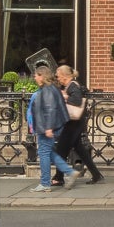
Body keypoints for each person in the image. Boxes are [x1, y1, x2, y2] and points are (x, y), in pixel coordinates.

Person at [26, 61, 77, 192]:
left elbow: (50, 109)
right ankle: (69, 171)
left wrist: (48, 128)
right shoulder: (50, 88)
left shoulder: (47, 90)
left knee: (43, 152)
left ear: (42, 76)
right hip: (47, 126)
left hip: (46, 127)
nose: (35, 77)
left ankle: (45, 183)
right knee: (48, 152)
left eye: (36, 75)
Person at [56, 62, 102, 184]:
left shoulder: (73, 86)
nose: (57, 78)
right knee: (80, 150)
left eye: (58, 76)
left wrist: (64, 97)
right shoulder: (68, 87)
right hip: (73, 122)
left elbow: (76, 101)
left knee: (61, 149)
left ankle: (58, 178)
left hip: (74, 123)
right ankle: (96, 175)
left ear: (65, 75)